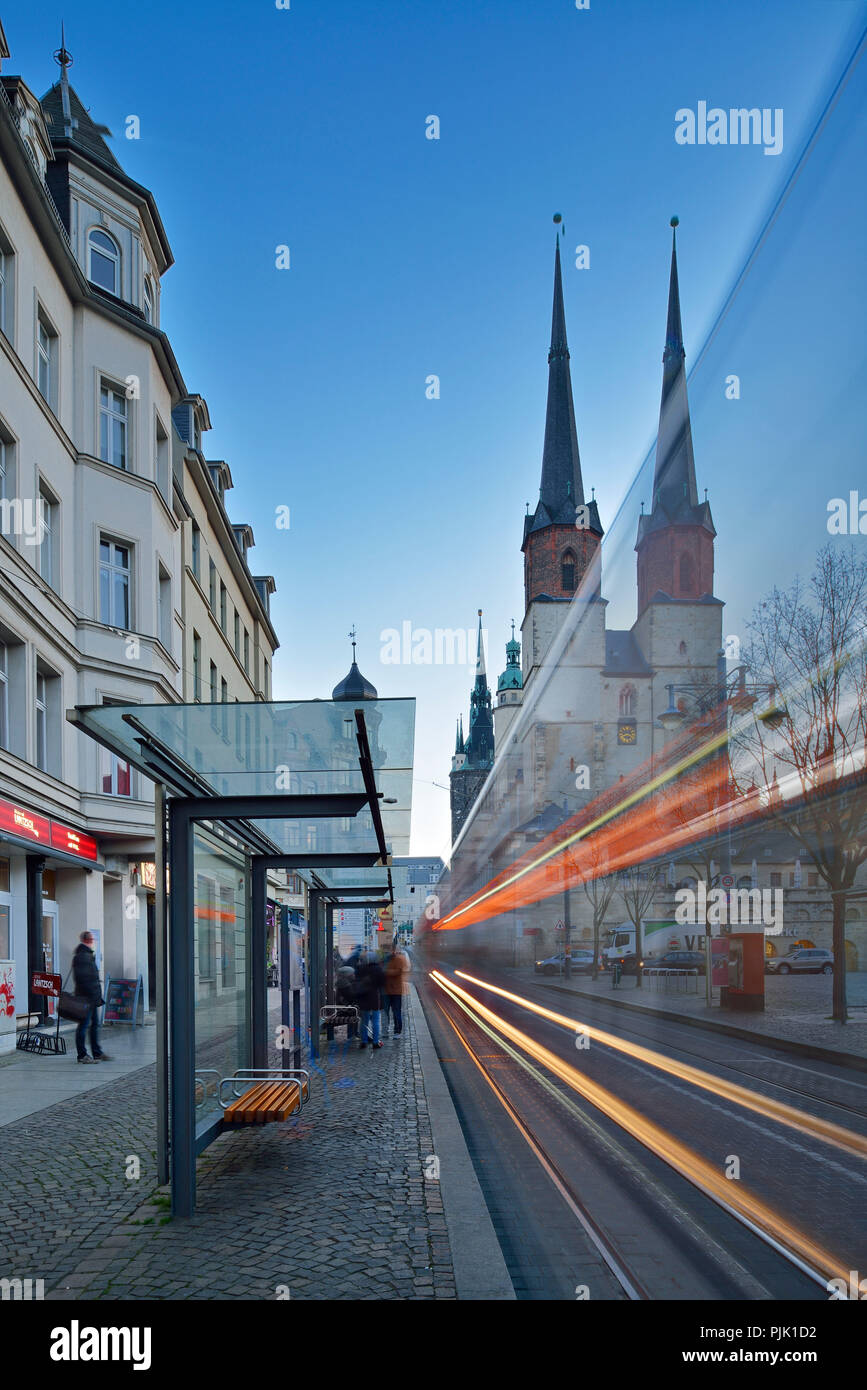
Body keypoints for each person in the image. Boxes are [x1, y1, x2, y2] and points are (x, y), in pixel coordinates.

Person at [72, 931, 110, 1064]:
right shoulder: (82, 956)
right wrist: (93, 996)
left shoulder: (86, 955)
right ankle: (82, 1055)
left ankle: (97, 1053)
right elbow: (84, 979)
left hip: (91, 998)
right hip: (86, 998)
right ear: (88, 940)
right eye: (91, 939)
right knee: (83, 1026)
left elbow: (90, 978)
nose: (92, 941)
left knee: (95, 1025)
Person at [353, 950, 385, 1049]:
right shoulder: (378, 969)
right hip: (374, 997)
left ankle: (364, 1041)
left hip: (363, 998)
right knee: (375, 1020)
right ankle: (375, 1042)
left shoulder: (361, 968)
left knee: (364, 1021)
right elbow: (382, 983)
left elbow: (356, 981)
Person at [383, 943, 410, 1038]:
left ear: (393, 950)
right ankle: (385, 1030)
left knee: (396, 1011)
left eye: (390, 949)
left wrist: (386, 971)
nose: (388, 952)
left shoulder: (398, 959)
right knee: (385, 1012)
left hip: (396, 990)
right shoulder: (384, 960)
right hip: (386, 990)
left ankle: (397, 1031)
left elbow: (398, 971)